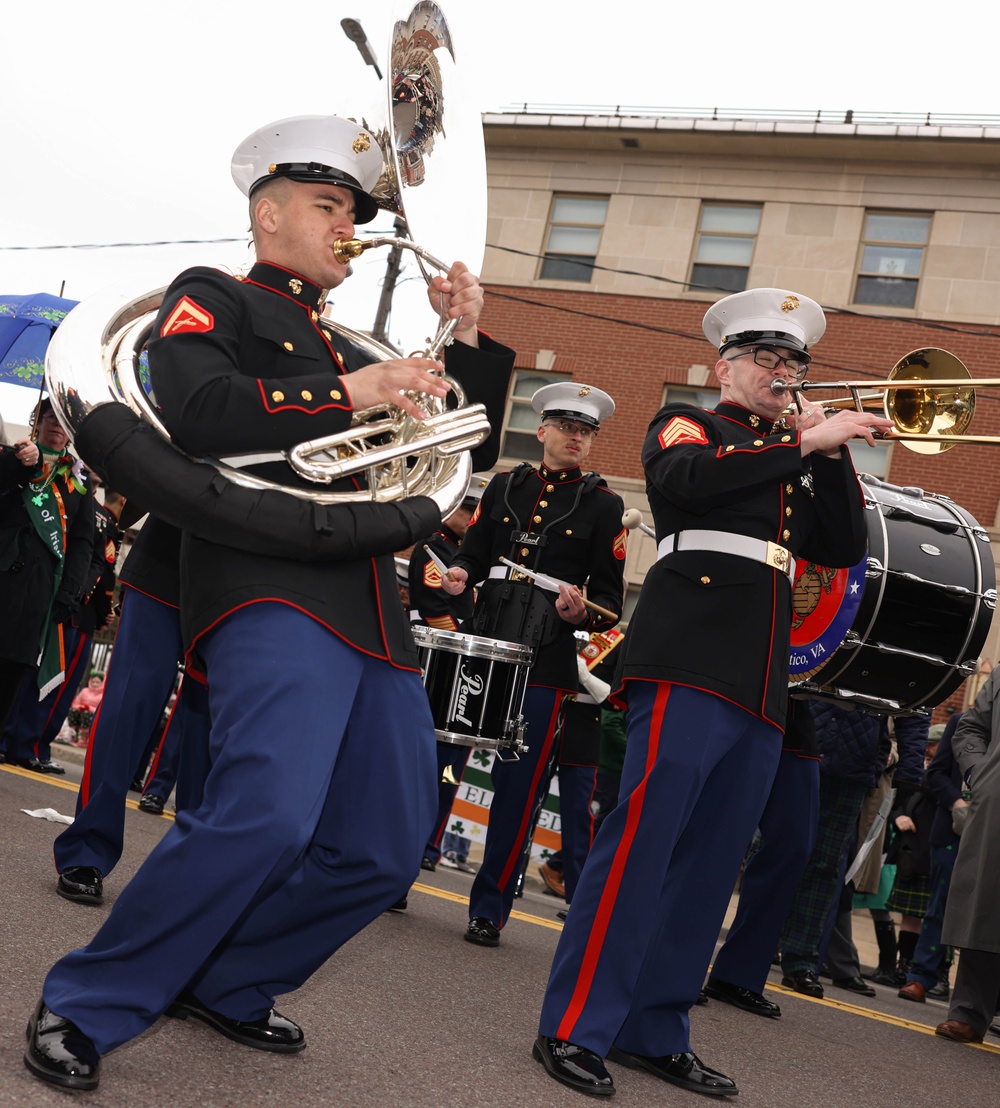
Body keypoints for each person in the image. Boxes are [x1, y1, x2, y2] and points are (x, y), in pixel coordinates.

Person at [25, 113, 513, 1093]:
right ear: (270, 211)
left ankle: (232, 979)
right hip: (270, 588)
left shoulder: (341, 340)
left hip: (375, 608)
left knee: (383, 846)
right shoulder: (218, 299)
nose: (347, 225)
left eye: (352, 210)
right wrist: (353, 396)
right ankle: (85, 1000)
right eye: (329, 204)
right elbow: (199, 411)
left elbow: (470, 448)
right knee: (265, 816)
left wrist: (463, 332)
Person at [532, 287, 891, 1098]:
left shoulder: (797, 450)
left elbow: (837, 546)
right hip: (687, 656)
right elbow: (686, 481)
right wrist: (804, 444)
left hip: (761, 678)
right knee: (642, 845)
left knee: (710, 865)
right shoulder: (694, 424)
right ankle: (575, 1024)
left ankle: (654, 1030)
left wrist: (832, 453)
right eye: (766, 358)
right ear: (726, 365)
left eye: (795, 361)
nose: (783, 372)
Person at [441, 381, 627, 948]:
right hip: (485, 640)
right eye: (568, 427)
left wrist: (583, 612)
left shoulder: (604, 504)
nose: (577, 438)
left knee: (518, 790)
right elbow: (472, 555)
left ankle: (489, 908)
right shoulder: (504, 486)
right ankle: (394, 873)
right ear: (542, 430)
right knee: (439, 760)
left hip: (546, 658)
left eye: (587, 431)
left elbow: (610, 602)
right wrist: (460, 576)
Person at [2, 481, 123, 771]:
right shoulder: (96, 515)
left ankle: (24, 744)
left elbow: (92, 563)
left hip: (73, 605)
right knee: (45, 681)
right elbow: (99, 570)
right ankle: (25, 744)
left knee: (46, 682)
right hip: (72, 609)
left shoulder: (94, 513)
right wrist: (101, 608)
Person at [0, 397, 95, 740]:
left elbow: (84, 542)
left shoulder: (79, 480)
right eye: (49, 416)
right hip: (4, 579)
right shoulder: (16, 456)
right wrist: (20, 464)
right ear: (36, 421)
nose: (56, 423)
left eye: (62, 419)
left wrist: (70, 591)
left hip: (40, 593)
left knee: (13, 675)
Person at [408, 476, 488, 872]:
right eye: (467, 508)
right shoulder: (434, 549)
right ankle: (412, 837)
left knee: (451, 765)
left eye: (477, 511)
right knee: (424, 757)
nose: (472, 517)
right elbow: (436, 611)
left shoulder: (476, 554)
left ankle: (429, 843)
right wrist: (468, 651)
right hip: (441, 664)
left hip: (467, 669)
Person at [936, 669, 1000, 1043]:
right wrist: (983, 774)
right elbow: (971, 728)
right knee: (984, 901)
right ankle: (969, 1012)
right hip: (996, 802)